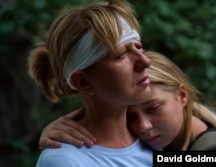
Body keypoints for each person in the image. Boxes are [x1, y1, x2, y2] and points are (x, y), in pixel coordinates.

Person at [38, 51, 216, 151]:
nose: (143, 126)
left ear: (182, 96)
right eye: (129, 116)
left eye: (154, 108)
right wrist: (61, 129)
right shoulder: (162, 145)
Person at [28, 0, 154, 166]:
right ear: (83, 81)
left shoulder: (157, 135)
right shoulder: (65, 161)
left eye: (138, 47)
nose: (145, 61)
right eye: (121, 55)